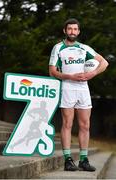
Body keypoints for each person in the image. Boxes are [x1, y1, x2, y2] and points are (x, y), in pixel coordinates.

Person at [49, 18, 108, 172]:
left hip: (83, 89)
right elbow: (52, 71)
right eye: (70, 29)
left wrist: (92, 73)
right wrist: (70, 76)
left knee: (85, 125)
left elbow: (104, 63)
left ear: (78, 31)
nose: (72, 32)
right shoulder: (58, 48)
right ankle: (68, 160)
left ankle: (83, 160)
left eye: (75, 29)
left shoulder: (84, 48)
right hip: (67, 88)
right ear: (64, 30)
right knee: (67, 124)